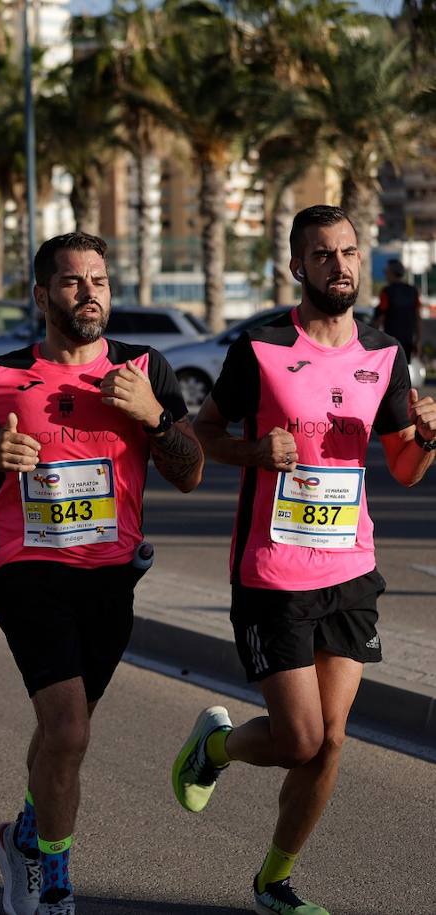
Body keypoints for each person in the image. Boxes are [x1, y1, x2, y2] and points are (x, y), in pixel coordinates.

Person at [174, 206, 436, 915]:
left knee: (331, 743)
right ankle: (217, 748)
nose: (340, 265)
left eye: (349, 251)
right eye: (323, 254)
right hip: (272, 573)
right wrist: (254, 451)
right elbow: (200, 435)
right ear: (297, 265)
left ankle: (273, 883)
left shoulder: (385, 352)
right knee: (298, 737)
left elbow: (404, 466)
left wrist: (430, 438)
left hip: (350, 570)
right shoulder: (258, 347)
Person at [0, 232, 203, 915]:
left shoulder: (145, 369)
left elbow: (190, 472)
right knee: (68, 730)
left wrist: (152, 414)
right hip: (27, 569)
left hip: (111, 577)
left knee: (66, 730)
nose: (89, 292)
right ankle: (55, 884)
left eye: (99, 280)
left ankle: (22, 835)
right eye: (71, 281)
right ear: (41, 295)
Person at [375, 259, 422, 361]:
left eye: (386, 272)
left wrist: (374, 341)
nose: (385, 274)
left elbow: (380, 318)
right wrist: (418, 340)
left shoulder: (387, 292)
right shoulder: (413, 291)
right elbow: (418, 318)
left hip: (391, 342)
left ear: (391, 273)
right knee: (404, 371)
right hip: (408, 341)